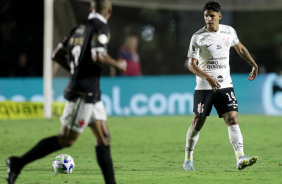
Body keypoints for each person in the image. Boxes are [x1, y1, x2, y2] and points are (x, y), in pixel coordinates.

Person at [6, 1, 126, 184]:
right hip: (83, 92)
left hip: (90, 91)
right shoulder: (101, 27)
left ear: (91, 9)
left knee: (103, 136)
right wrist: (119, 64)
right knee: (66, 139)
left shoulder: (78, 29)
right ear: (109, 10)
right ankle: (18, 163)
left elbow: (56, 55)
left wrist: (74, 69)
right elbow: (98, 55)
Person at [183, 1, 258, 171]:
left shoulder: (229, 31)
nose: (208, 19)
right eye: (206, 16)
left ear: (219, 16)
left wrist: (253, 64)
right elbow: (191, 65)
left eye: (212, 15)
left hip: (225, 85)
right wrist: (208, 78)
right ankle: (188, 158)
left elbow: (240, 49)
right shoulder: (198, 37)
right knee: (197, 123)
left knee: (232, 118)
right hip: (204, 87)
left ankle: (240, 157)